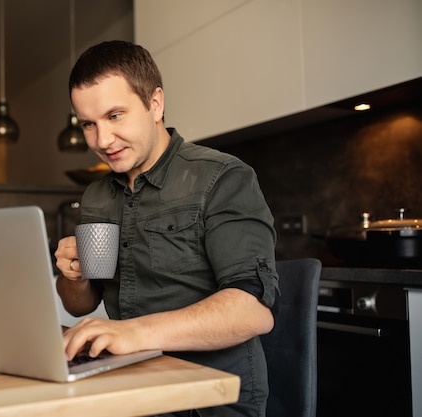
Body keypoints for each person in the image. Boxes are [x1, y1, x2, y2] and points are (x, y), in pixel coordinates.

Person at [54, 40, 279, 417]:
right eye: (89, 124)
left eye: (114, 116)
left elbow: (252, 310)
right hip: (127, 383)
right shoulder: (97, 195)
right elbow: (83, 303)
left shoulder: (222, 177)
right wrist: (73, 279)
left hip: (206, 399)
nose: (101, 141)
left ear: (155, 103)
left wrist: (133, 333)